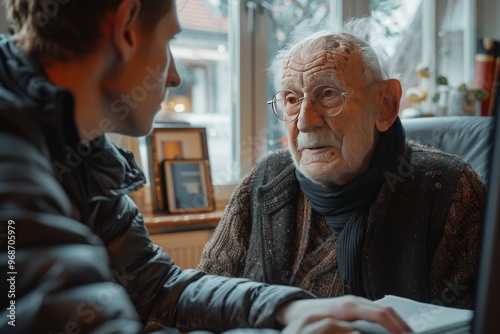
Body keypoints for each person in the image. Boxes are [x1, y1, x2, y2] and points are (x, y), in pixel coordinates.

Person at [0, 1, 412, 333]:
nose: (175, 75)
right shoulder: (13, 152)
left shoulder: (79, 150)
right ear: (126, 27)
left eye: (327, 95)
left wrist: (286, 309)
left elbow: (155, 286)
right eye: (169, 41)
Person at [197, 18, 486, 310]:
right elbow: (205, 296)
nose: (305, 122)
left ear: (385, 104)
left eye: (328, 94)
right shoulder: (265, 181)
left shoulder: (449, 191)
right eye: (291, 99)